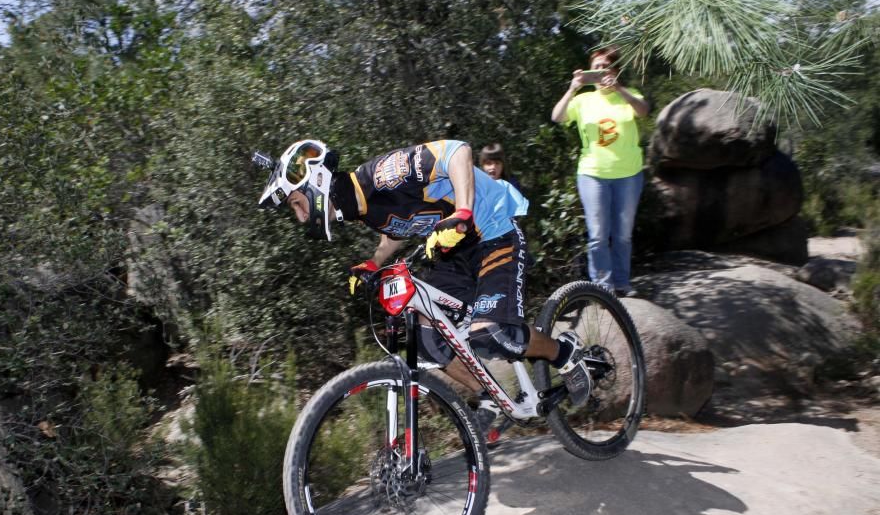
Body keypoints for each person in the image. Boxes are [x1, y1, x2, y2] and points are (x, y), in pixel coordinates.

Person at [257, 138, 594, 438]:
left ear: (314, 182)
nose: (301, 217)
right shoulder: (359, 206)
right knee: (426, 337)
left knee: (491, 333)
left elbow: (458, 151)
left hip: (492, 231)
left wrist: (462, 212)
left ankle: (566, 353)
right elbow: (397, 228)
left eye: (296, 204)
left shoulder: (382, 174)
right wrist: (373, 263)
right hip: (453, 251)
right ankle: (491, 398)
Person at [551, 46, 649, 297]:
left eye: (605, 67)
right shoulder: (583, 100)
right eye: (595, 67)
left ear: (615, 70)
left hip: (629, 174)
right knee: (597, 235)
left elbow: (643, 111)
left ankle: (622, 283)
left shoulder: (629, 95)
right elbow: (557, 116)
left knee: (623, 235)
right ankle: (603, 288)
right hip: (593, 174)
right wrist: (573, 87)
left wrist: (619, 89)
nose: (599, 72)